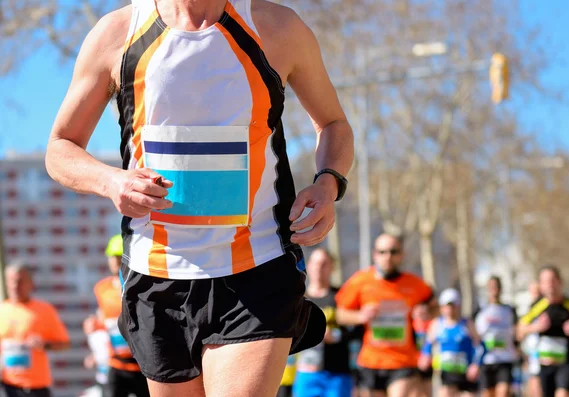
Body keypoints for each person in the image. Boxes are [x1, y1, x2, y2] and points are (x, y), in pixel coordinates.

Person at [45, 0, 354, 395]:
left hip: (257, 264)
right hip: (156, 275)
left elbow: (333, 123)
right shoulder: (117, 33)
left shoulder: (274, 27)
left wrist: (328, 183)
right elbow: (60, 148)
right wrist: (112, 182)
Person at [335, 233, 435, 397]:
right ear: (375, 254)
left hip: (403, 361)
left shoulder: (415, 284)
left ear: (401, 255)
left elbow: (435, 307)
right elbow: (340, 314)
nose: (388, 257)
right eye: (382, 252)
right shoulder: (361, 281)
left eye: (393, 252)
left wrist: (426, 312)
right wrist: (361, 316)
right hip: (370, 361)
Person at [84, 235, 151, 397]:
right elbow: (104, 319)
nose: (115, 261)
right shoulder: (101, 288)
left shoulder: (141, 285)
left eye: (119, 257)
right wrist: (95, 327)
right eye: (112, 257)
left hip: (142, 363)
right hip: (116, 363)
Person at [0, 264, 71, 397]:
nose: (15, 286)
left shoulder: (44, 310)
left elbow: (65, 344)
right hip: (8, 386)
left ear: (31, 284)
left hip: (36, 387)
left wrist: (45, 345)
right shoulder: (2, 310)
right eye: (11, 281)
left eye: (20, 281)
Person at [293, 248, 353, 397]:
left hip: (337, 372)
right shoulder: (299, 298)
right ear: (309, 265)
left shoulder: (341, 296)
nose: (319, 268)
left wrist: (335, 335)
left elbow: (356, 330)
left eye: (324, 264)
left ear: (332, 267)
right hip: (307, 372)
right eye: (315, 263)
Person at [518, 266, 569, 397]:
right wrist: (537, 327)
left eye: (552, 280)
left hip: (565, 363)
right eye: (545, 281)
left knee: (562, 394)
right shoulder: (537, 305)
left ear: (560, 282)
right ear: (541, 285)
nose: (550, 285)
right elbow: (520, 329)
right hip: (544, 364)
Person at [419, 288, 485, 397]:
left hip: (467, 373)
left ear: (458, 306)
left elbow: (481, 347)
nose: (449, 309)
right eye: (446, 306)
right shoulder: (437, 324)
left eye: (452, 305)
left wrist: (476, 365)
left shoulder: (467, 324)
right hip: (447, 373)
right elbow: (428, 344)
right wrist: (425, 356)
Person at [473, 276, 519, 397]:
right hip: (486, 360)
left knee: (503, 393)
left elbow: (517, 332)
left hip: (505, 359)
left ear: (500, 289)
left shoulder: (509, 310)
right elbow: (473, 334)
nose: (494, 290)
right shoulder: (480, 310)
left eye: (496, 287)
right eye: (491, 287)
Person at [522, 280, 543, 397]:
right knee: (534, 386)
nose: (536, 296)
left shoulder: (547, 307)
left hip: (548, 355)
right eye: (534, 293)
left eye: (538, 292)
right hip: (533, 355)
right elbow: (520, 330)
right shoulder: (530, 310)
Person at [413, 303, 434, 397]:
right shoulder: (410, 324)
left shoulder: (432, 324)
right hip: (412, 362)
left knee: (427, 391)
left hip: (428, 362)